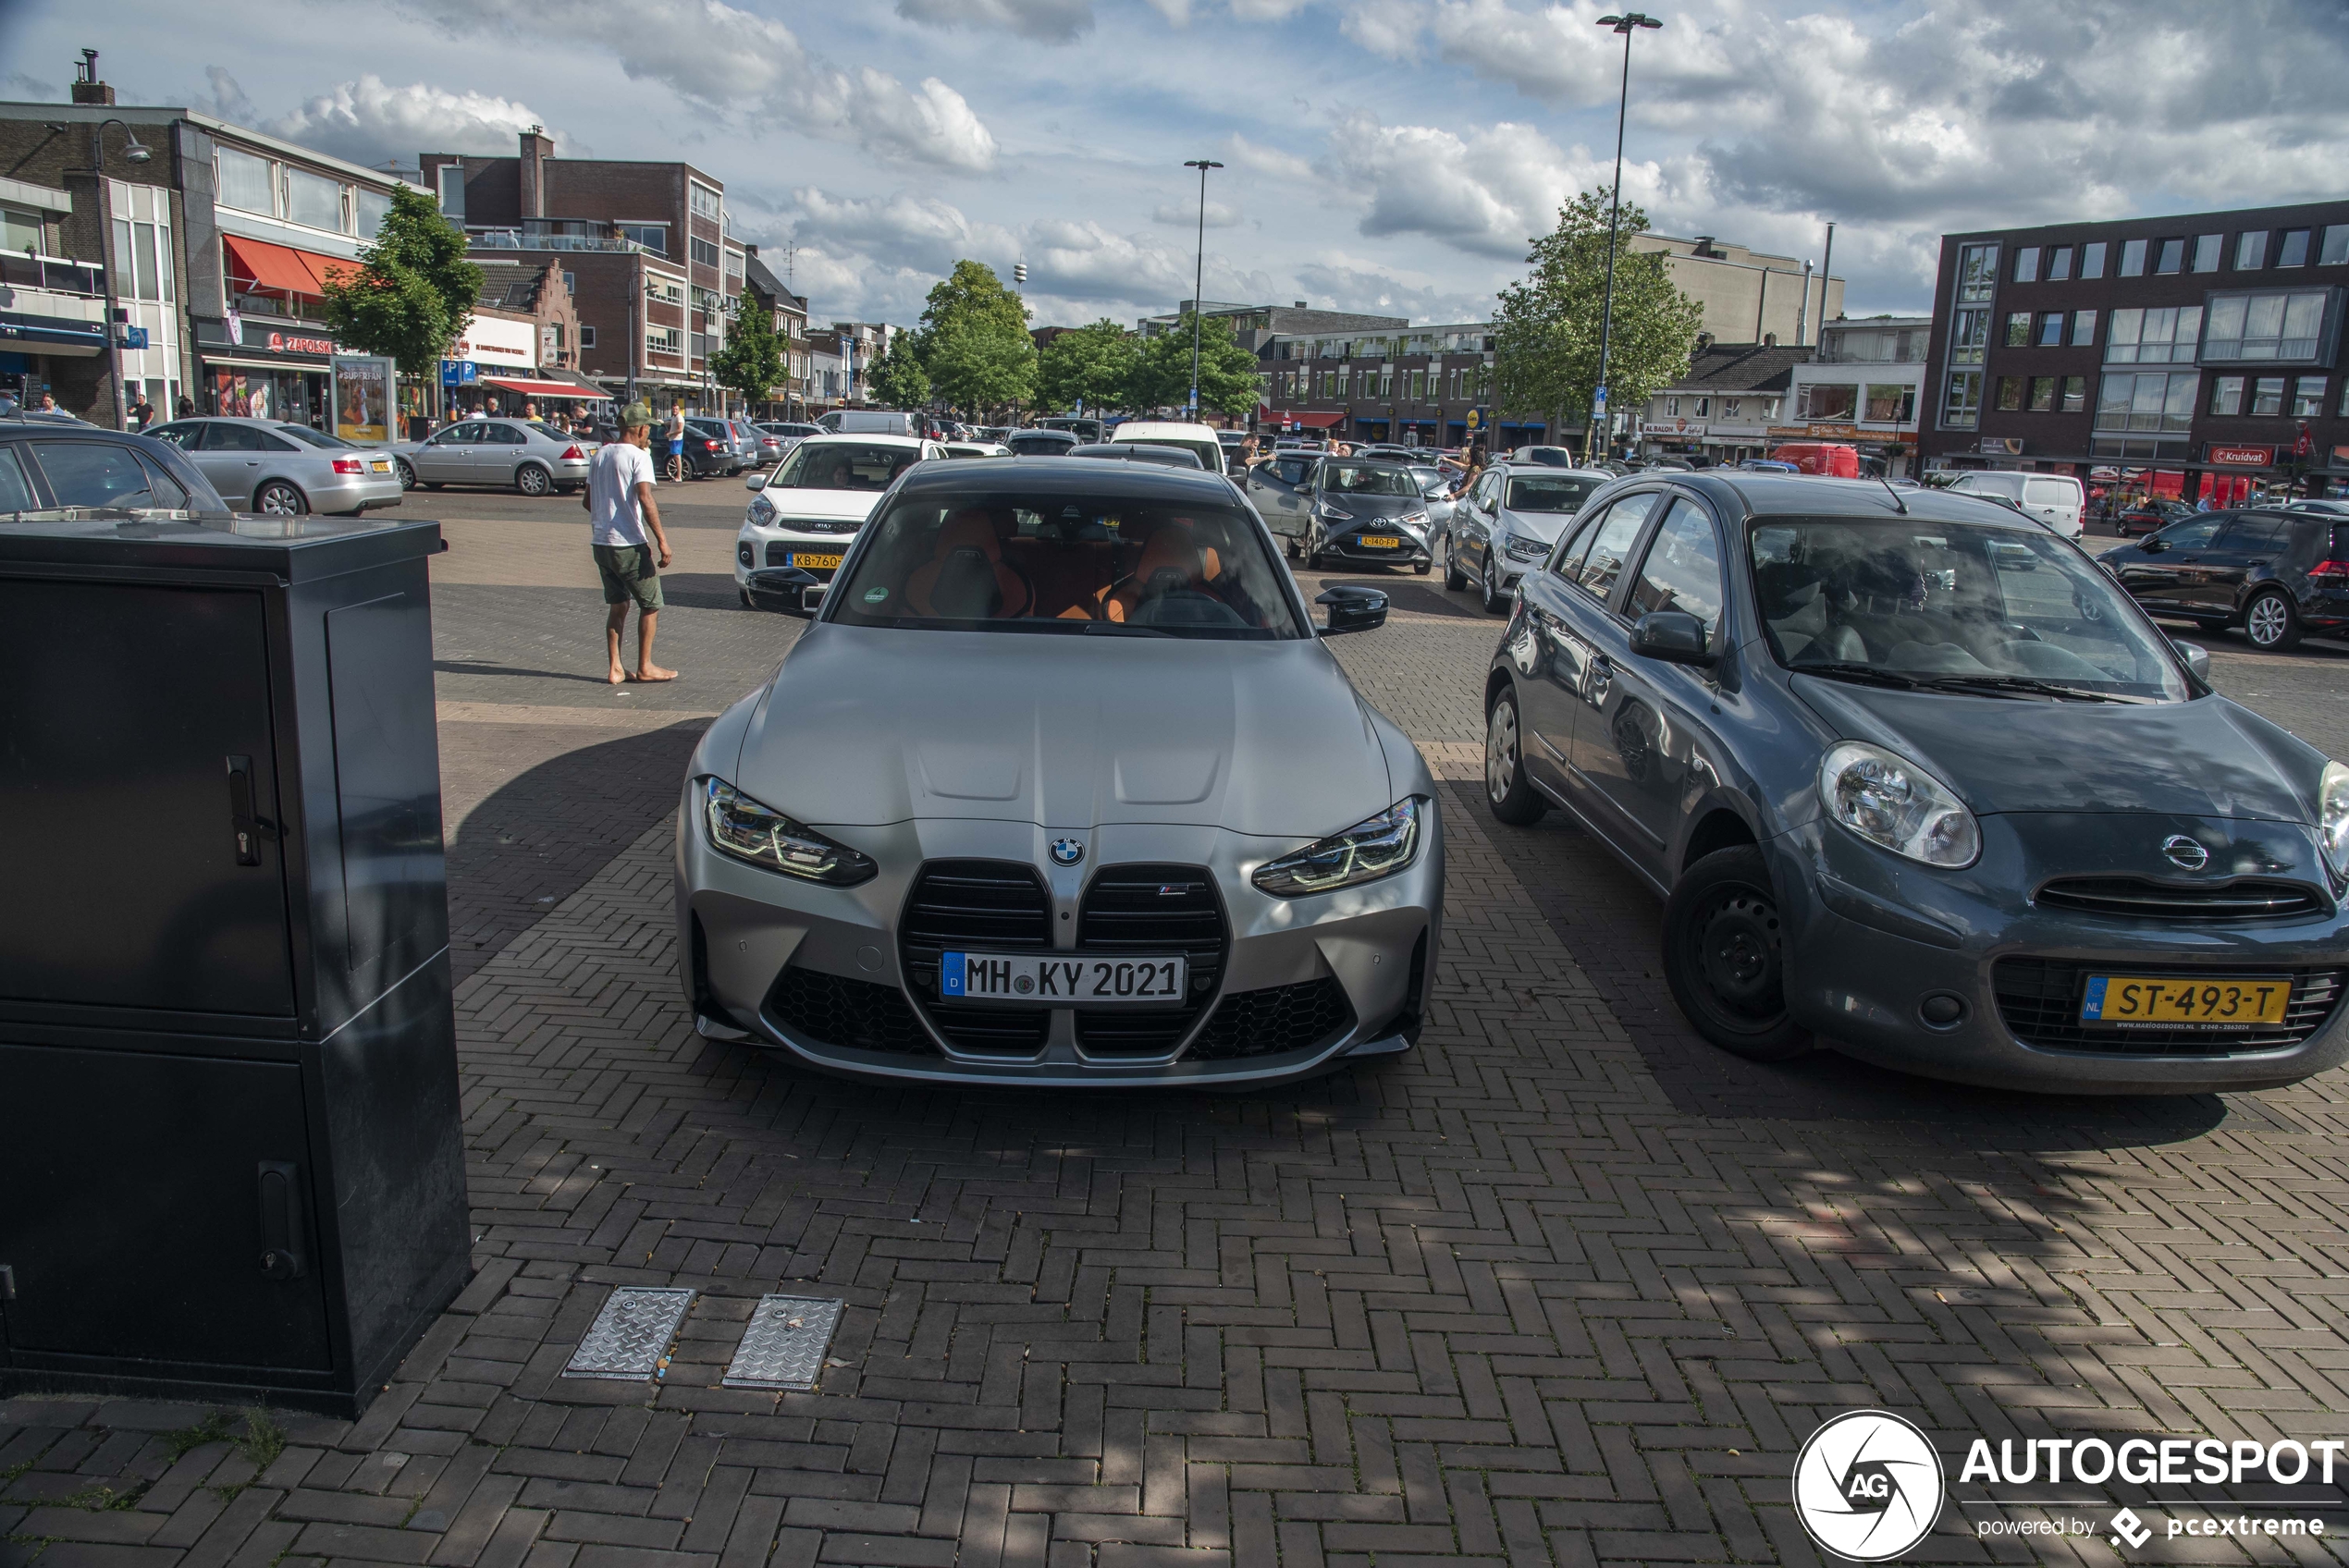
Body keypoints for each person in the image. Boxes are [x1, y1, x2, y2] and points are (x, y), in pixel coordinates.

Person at [583, 401, 677, 684]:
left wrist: (608, 516)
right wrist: (662, 541)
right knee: (651, 604)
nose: (649, 434)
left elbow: (588, 501)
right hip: (629, 544)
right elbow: (645, 498)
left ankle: (615, 668)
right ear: (641, 429)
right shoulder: (639, 457)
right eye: (648, 428)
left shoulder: (600, 454)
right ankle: (645, 666)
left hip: (601, 543)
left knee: (618, 605)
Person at [665, 401, 687, 483]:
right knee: (676, 458)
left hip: (677, 440)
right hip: (673, 439)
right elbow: (671, 423)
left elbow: (680, 429)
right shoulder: (674, 417)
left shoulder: (679, 418)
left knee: (677, 458)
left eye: (676, 409)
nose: (675, 410)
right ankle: (677, 476)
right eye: (673, 409)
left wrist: (670, 434)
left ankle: (678, 477)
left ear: (679, 410)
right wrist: (663, 422)